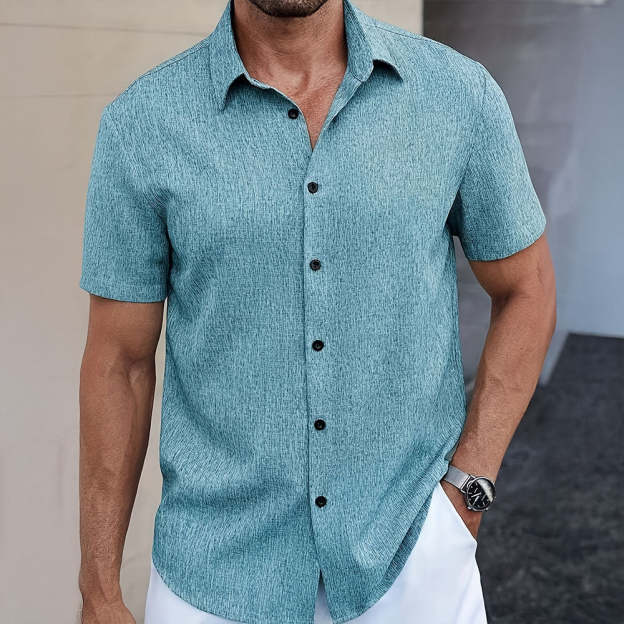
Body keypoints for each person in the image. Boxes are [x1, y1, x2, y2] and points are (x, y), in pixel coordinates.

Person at [77, 0, 557, 622]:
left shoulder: (457, 95)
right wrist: (99, 589)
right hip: (213, 578)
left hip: (414, 562)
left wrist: (469, 489)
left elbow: (527, 289)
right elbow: (119, 362)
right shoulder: (142, 124)